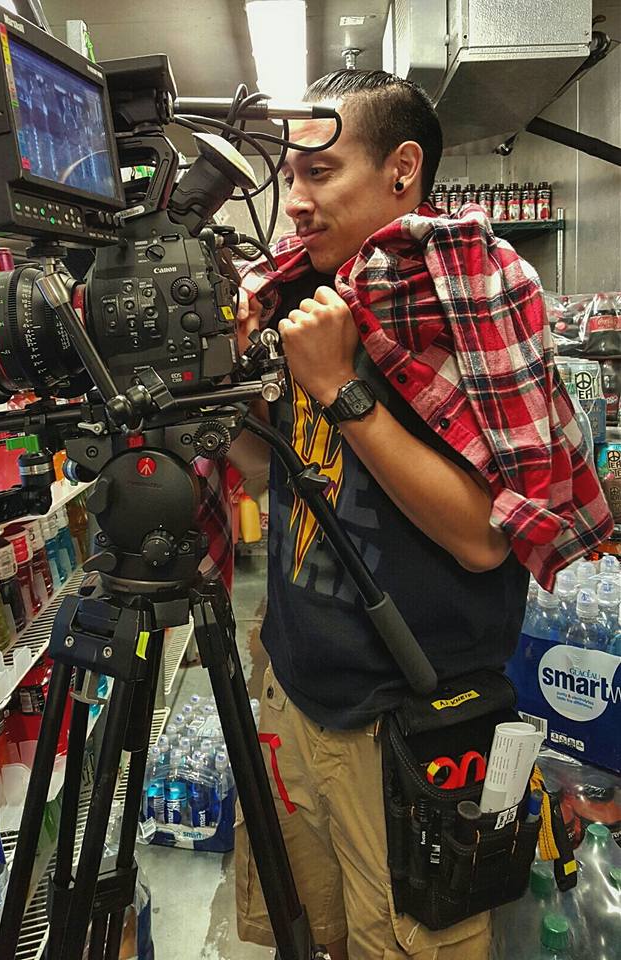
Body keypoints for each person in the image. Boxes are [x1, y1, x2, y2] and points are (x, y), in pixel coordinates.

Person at [232, 70, 612, 960]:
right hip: (294, 685)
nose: (294, 202)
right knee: (314, 931)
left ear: (403, 169)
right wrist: (228, 421)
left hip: (407, 724)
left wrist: (336, 385)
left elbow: (486, 539)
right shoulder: (300, 301)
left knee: (410, 943)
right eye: (289, 176)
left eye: (319, 171)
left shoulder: (465, 294)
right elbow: (276, 481)